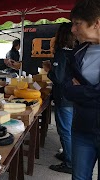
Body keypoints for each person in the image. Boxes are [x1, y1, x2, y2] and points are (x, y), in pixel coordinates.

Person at [64, 0, 100, 179]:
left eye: (77, 23)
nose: (72, 29)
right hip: (82, 129)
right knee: (79, 177)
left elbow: (75, 91)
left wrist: (82, 91)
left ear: (96, 23)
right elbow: (67, 89)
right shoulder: (78, 53)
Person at [43, 22, 75, 174]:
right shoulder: (74, 50)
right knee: (69, 129)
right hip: (72, 96)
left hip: (63, 97)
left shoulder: (62, 53)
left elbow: (58, 77)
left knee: (65, 130)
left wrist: (49, 70)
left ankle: (69, 163)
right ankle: (67, 155)